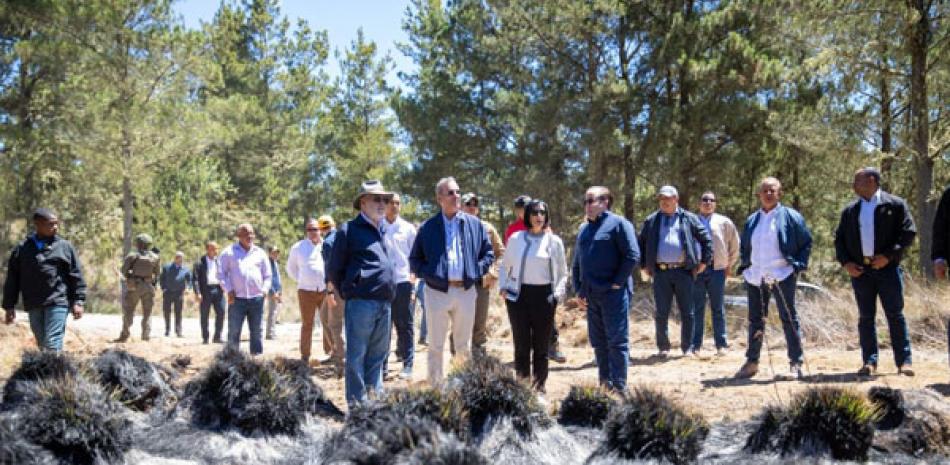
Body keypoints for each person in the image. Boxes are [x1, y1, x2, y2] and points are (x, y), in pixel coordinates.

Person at [410, 177, 495, 385]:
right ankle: (436, 390)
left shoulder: (475, 225)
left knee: (463, 345)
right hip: (436, 292)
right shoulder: (428, 227)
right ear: (440, 198)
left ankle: (463, 388)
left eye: (458, 192)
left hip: (466, 292)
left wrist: (476, 271)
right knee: (436, 346)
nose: (456, 196)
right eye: (450, 193)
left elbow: (488, 253)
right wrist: (430, 274)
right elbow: (414, 259)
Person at [835, 168, 916, 376]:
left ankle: (904, 362)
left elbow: (908, 233)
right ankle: (869, 362)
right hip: (861, 272)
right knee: (865, 317)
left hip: (887, 270)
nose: (853, 185)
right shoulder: (850, 211)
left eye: (857, 181)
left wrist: (888, 257)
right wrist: (846, 264)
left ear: (872, 181)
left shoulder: (895, 205)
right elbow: (839, 240)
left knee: (895, 315)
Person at [326, 180, 397, 404]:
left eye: (385, 199)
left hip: (384, 302)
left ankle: (374, 405)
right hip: (361, 303)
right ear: (363, 202)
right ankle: (358, 408)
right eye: (376, 199)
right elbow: (334, 268)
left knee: (377, 357)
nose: (382, 203)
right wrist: (351, 289)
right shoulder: (349, 229)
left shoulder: (384, 229)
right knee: (356, 357)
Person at [735, 177, 812, 380]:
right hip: (755, 276)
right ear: (759, 194)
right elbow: (745, 245)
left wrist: (797, 267)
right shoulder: (752, 220)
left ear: (780, 193)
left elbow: (806, 242)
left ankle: (796, 364)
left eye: (773, 190)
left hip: (782, 275)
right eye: (765, 190)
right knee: (755, 321)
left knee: (789, 319)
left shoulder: (791, 217)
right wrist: (745, 266)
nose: (768, 194)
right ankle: (752, 362)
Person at [572, 186, 640, 392]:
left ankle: (619, 387)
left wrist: (617, 282)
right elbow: (577, 263)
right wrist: (578, 290)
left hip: (614, 294)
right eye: (585, 201)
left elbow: (632, 255)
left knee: (617, 342)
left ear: (605, 202)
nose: (587, 205)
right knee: (598, 343)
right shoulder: (584, 229)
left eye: (591, 201)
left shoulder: (619, 224)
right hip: (591, 295)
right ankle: (605, 385)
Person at [498, 200, 567, 394]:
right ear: (528, 215)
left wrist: (557, 295)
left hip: (544, 297)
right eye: (535, 212)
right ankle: (522, 388)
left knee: (541, 347)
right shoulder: (516, 238)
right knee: (521, 345)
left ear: (546, 216)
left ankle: (539, 387)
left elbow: (563, 273)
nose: (538, 216)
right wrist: (503, 287)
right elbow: (505, 266)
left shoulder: (555, 242)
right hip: (518, 297)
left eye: (542, 213)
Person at [639, 185, 712, 357]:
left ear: (676, 200)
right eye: (661, 199)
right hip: (660, 272)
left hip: (683, 272)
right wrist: (644, 265)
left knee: (687, 311)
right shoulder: (652, 220)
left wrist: (703, 262)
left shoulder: (688, 218)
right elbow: (641, 243)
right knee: (661, 312)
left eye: (668, 198)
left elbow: (706, 240)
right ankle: (663, 348)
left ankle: (687, 348)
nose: (664, 202)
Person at [3, 208, 86, 351]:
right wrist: (9, 306)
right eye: (51, 224)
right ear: (38, 224)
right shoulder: (23, 249)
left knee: (52, 341)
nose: (55, 227)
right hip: (34, 303)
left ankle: (55, 373)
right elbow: (13, 279)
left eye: (56, 224)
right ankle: (51, 371)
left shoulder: (64, 247)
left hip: (58, 301)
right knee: (42, 344)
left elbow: (76, 275)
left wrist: (78, 301)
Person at [691, 191, 740, 355]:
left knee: (717, 308)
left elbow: (734, 245)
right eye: (704, 200)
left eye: (711, 200)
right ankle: (695, 345)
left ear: (715, 204)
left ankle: (721, 344)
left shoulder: (724, 222)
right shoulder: (691, 221)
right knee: (697, 308)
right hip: (697, 270)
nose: (707, 202)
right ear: (699, 203)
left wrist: (728, 264)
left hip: (717, 270)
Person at [461, 192, 505, 355]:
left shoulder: (487, 228)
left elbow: (501, 252)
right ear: (461, 206)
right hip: (460, 284)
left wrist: (493, 273)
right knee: (460, 325)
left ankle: (479, 361)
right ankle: (459, 362)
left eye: (475, 205)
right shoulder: (454, 226)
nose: (472, 208)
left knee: (479, 325)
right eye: (468, 204)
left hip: (481, 283)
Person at [217, 223, 272, 355]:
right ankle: (232, 360)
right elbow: (220, 274)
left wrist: (264, 291)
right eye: (246, 233)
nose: (250, 236)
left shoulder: (260, 253)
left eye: (252, 233)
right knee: (234, 331)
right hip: (236, 299)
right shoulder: (228, 252)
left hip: (256, 299)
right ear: (239, 236)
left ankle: (256, 359)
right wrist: (229, 290)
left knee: (257, 331)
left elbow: (268, 275)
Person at [383, 193, 418, 379]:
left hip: (404, 282)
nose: (394, 206)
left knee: (405, 325)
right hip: (383, 284)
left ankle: (408, 364)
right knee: (383, 327)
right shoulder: (379, 227)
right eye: (390, 202)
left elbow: (415, 257)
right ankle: (383, 367)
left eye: (397, 203)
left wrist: (413, 284)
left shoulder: (408, 229)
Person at [286, 218, 332, 363]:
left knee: (328, 322)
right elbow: (290, 268)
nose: (313, 232)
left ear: (320, 230)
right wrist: (301, 280)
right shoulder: (298, 247)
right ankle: (305, 354)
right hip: (306, 291)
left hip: (325, 290)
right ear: (306, 231)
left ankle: (330, 351)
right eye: (309, 229)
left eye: (315, 229)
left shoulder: (327, 245)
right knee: (307, 323)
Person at [116, 233, 161, 342]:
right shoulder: (155, 257)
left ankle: (124, 335)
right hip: (148, 287)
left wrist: (130, 275)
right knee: (147, 313)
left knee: (129, 311)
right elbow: (157, 273)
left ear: (138, 244)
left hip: (134, 287)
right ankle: (146, 336)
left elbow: (123, 271)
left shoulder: (132, 256)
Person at [317, 215, 346, 367]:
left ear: (321, 230)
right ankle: (336, 351)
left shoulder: (328, 242)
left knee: (334, 323)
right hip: (344, 285)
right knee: (323, 316)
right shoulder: (342, 237)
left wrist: (329, 289)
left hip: (335, 286)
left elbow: (330, 267)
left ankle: (341, 358)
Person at [192, 241, 226, 344]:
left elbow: (225, 275)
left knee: (221, 312)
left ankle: (217, 337)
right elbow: (195, 279)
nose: (216, 251)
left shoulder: (219, 262)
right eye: (214, 249)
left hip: (218, 290)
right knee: (204, 314)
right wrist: (198, 293)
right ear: (208, 249)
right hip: (205, 291)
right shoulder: (199, 263)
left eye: (217, 249)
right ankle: (205, 337)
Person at [159, 251, 192, 338]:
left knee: (178, 312)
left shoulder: (185, 269)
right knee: (166, 311)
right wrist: (163, 288)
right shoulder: (167, 267)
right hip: (168, 292)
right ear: (175, 258)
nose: (180, 260)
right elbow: (161, 278)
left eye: (181, 258)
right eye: (178, 258)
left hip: (179, 293)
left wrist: (188, 288)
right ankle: (167, 330)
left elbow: (189, 280)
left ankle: (178, 331)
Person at [265, 245, 283, 340]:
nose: (276, 254)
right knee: (272, 311)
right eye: (274, 252)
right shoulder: (268, 263)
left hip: (277, 290)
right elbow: (269, 278)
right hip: (272, 291)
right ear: (269, 253)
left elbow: (278, 278)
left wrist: (280, 291)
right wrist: (273, 291)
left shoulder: (275, 263)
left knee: (276, 311)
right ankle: (270, 333)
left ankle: (272, 331)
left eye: (277, 253)